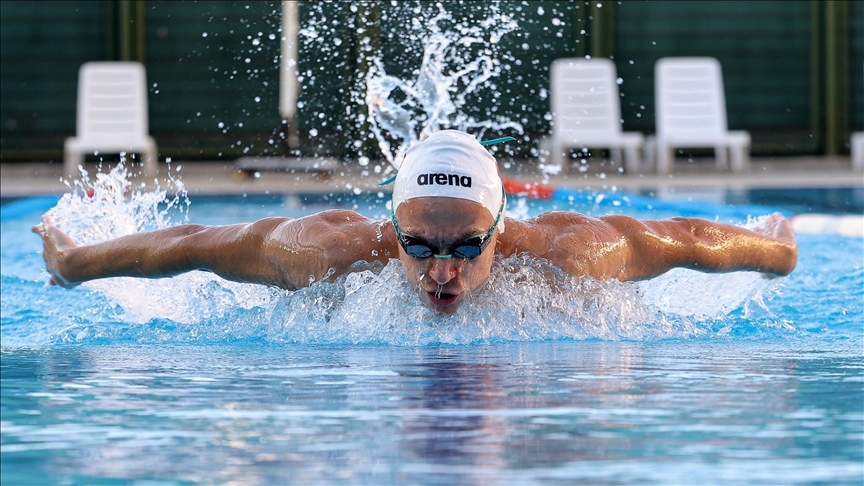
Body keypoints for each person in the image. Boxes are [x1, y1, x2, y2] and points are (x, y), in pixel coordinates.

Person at [33, 130, 798, 317]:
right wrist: (76, 263)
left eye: (468, 247)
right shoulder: (327, 252)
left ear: (504, 229)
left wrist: (776, 252)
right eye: (419, 247)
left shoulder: (572, 254)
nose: (442, 273)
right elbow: (190, 246)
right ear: (388, 229)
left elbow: (693, 240)